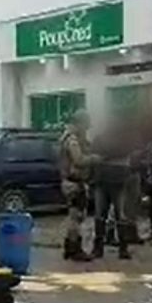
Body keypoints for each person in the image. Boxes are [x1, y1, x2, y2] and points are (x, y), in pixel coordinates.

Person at [58, 110, 99, 261]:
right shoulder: (72, 139)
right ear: (80, 123)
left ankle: (70, 247)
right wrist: (94, 159)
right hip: (73, 182)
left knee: (74, 216)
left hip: (69, 181)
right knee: (76, 217)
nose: (87, 128)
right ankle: (75, 249)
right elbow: (79, 160)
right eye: (86, 124)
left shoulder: (67, 137)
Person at [91, 119, 132, 260]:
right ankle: (122, 248)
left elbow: (96, 154)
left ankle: (99, 248)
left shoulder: (100, 139)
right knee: (119, 215)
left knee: (101, 215)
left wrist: (104, 157)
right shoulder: (124, 140)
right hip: (116, 181)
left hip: (103, 180)